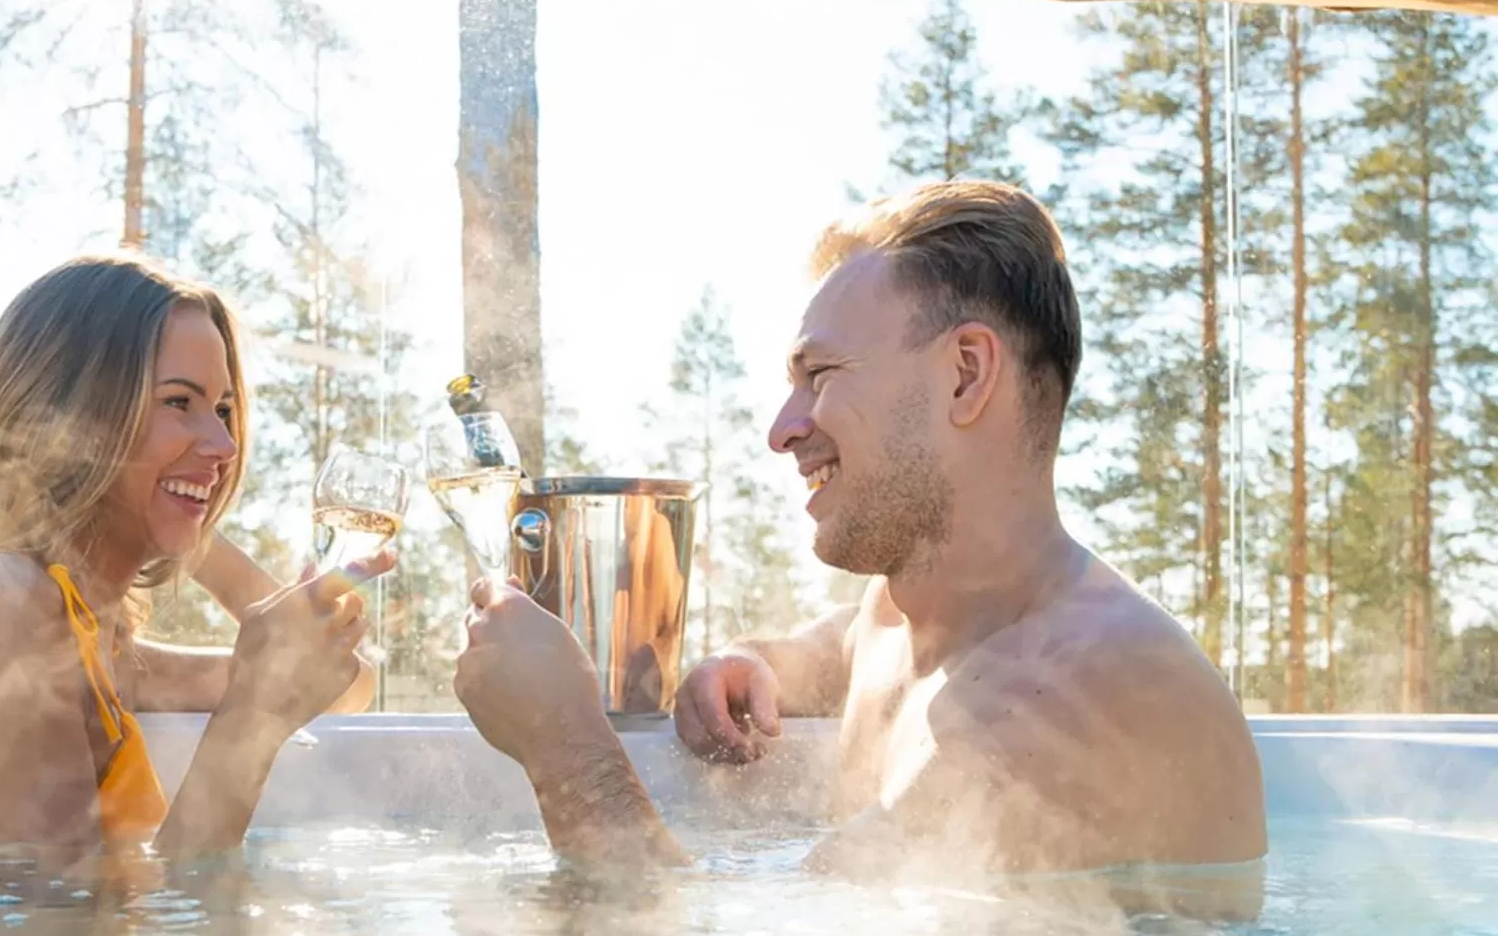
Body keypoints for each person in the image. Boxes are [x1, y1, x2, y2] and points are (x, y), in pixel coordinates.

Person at [454, 181, 1266, 889]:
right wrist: (751, 661)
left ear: (966, 375)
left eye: (823, 375)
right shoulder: (916, 613)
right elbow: (843, 647)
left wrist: (562, 742)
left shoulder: (1085, 691)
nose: (782, 429)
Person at [0, 253, 392, 853]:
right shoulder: (0, 603)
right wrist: (251, 722)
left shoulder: (101, 650)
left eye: (223, 410)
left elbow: (348, 686)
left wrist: (188, 515)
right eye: (179, 403)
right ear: (72, 421)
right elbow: (70, 932)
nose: (224, 444)